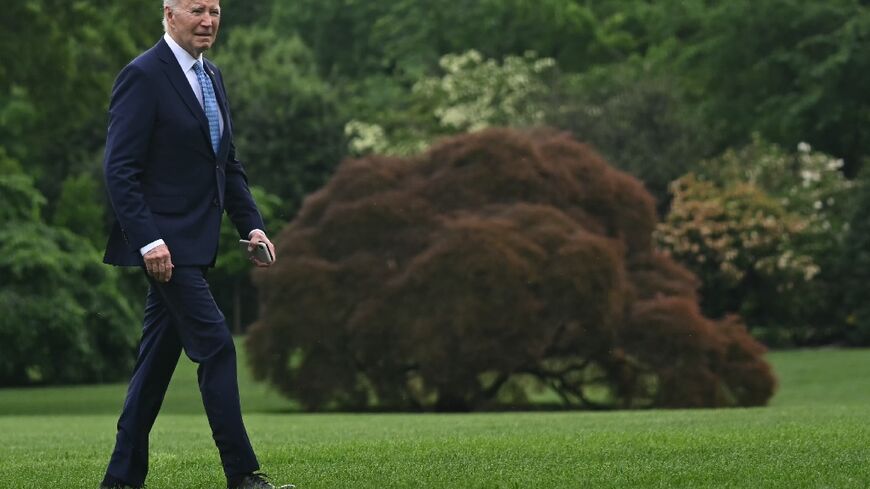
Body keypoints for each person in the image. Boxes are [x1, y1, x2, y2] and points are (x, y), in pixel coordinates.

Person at [99, 1, 293, 488]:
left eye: (215, 10)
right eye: (196, 10)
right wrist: (147, 242)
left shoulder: (213, 77)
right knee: (217, 348)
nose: (208, 21)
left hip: (195, 245)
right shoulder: (143, 75)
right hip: (163, 249)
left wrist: (252, 226)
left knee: (154, 369)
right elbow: (119, 171)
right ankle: (244, 476)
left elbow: (226, 164)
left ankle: (120, 481)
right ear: (168, 13)